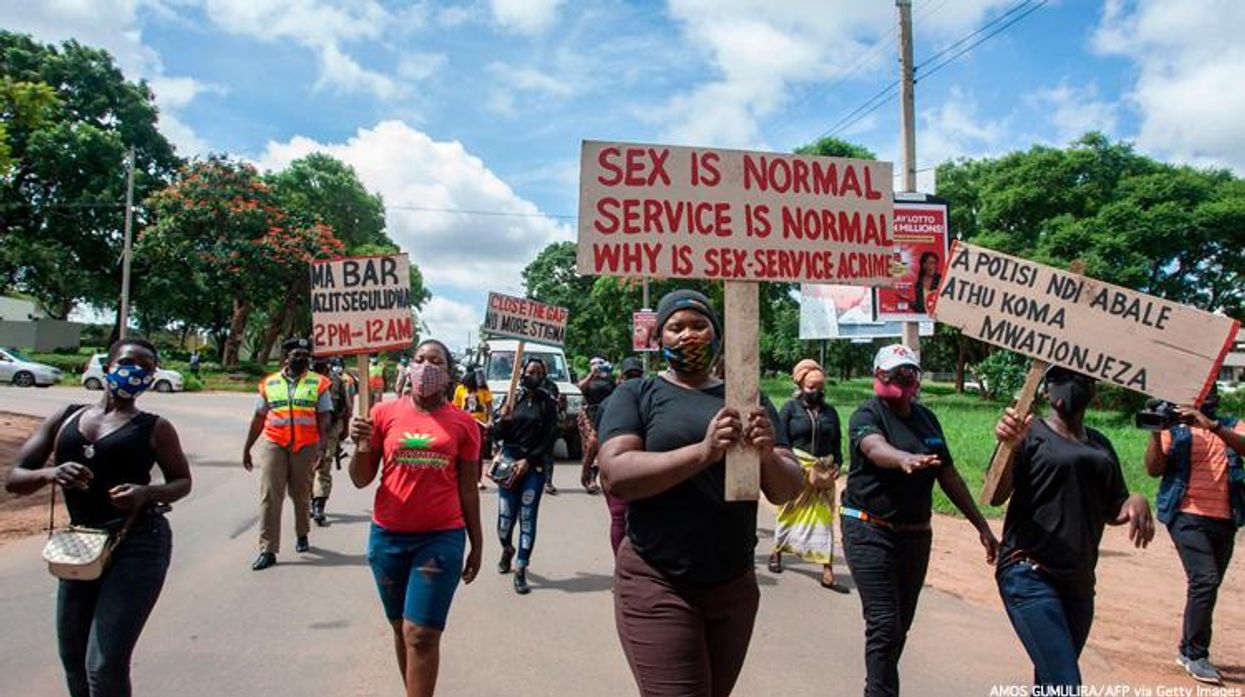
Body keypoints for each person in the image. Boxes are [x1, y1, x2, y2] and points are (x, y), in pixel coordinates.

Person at [597, 289, 805, 697]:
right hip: (658, 579)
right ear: (659, 340)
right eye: (676, 327)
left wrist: (766, 456)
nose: (688, 335)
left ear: (718, 334)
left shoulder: (749, 399)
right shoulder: (636, 395)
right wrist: (704, 452)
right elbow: (615, 474)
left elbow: (787, 489)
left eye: (698, 325)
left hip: (734, 585)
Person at [5, 338, 192, 697]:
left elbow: (181, 482)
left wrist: (145, 493)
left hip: (137, 543)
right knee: (73, 660)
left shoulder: (154, 428)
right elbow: (15, 480)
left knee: (104, 665)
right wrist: (51, 473)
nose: (135, 372)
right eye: (128, 362)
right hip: (81, 545)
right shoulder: (67, 417)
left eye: (146, 369)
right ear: (107, 367)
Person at [841, 344, 998, 697]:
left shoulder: (927, 419)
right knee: (883, 623)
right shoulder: (867, 413)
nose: (904, 379)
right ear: (879, 376)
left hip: (915, 534)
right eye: (896, 373)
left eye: (910, 373)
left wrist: (982, 526)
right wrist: (902, 459)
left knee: (900, 627)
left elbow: (950, 476)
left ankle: (879, 687)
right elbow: (873, 447)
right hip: (867, 526)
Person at [995, 366, 1155, 691]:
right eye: (1060, 378)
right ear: (1045, 390)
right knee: (1065, 685)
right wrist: (1009, 447)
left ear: (1094, 390)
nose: (1071, 386)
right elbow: (996, 495)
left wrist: (1137, 500)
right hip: (1029, 573)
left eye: (1081, 379)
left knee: (1051, 681)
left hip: (1079, 585)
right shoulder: (1029, 433)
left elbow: (1116, 508)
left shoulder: (1100, 444)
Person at [348, 339, 482, 697]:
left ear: (448, 374)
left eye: (435, 361)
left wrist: (478, 545)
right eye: (419, 359)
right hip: (387, 538)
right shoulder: (381, 414)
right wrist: (358, 444)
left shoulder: (465, 425)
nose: (425, 366)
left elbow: (469, 489)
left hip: (440, 539)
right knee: (400, 627)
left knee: (421, 634)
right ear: (409, 367)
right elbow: (361, 479)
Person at [1144, 385, 1245, 684]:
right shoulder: (1174, 430)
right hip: (1186, 515)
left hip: (1226, 518)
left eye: (1211, 391)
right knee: (1205, 580)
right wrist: (1155, 430)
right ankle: (1197, 654)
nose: (1208, 396)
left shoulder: (1229, 425)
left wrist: (1212, 426)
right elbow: (1153, 469)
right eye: (1202, 392)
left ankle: (1188, 650)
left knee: (1206, 587)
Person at [242, 337, 332, 570]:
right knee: (271, 496)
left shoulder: (320, 383)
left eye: (305, 354)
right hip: (275, 443)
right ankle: (268, 549)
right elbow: (258, 418)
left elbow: (324, 418)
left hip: (306, 445)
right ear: (286, 357)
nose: (302, 358)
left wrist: (323, 447)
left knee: (301, 494)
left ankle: (302, 532)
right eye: (297, 354)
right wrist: (247, 448)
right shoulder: (268, 384)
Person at [769, 358, 847, 593]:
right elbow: (780, 439)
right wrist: (785, 463)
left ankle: (827, 570)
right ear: (801, 385)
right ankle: (777, 551)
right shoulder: (790, 409)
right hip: (796, 468)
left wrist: (838, 463)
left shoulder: (830, 412)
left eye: (820, 388)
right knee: (788, 512)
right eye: (811, 388)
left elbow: (837, 441)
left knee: (824, 519)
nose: (816, 392)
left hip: (822, 470)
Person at [491, 356, 560, 594]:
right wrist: (503, 418)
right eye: (530, 371)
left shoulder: (547, 403)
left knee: (527, 518)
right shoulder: (511, 398)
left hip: (534, 466)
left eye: (539, 372)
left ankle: (520, 568)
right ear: (522, 372)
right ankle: (507, 548)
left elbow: (551, 436)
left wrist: (529, 460)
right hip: (508, 462)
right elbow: (496, 433)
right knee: (505, 518)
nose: (534, 375)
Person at [596, 356, 645, 554]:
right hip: (626, 470)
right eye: (631, 375)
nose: (633, 379)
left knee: (620, 518)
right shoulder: (610, 403)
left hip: (640, 469)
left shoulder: (653, 398)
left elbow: (595, 439)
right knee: (623, 518)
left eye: (635, 375)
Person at [310, 357, 352, 526]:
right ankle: (309, 500)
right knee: (306, 469)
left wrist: (345, 429)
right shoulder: (303, 380)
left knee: (324, 466)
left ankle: (319, 505)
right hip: (307, 430)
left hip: (331, 428)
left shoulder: (338, 381)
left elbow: (346, 407)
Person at [577, 356, 615, 495]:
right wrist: (591, 375)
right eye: (594, 365)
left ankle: (596, 479)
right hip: (589, 417)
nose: (597, 367)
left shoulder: (609, 380)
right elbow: (580, 388)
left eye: (599, 364)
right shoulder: (587, 379)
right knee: (590, 446)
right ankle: (588, 478)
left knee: (602, 447)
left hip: (606, 414)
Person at [452, 367, 493, 490]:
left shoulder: (484, 390)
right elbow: (456, 406)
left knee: (478, 452)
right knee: (460, 451)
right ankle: (459, 477)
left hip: (479, 424)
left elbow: (489, 406)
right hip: (464, 423)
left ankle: (478, 479)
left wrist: (490, 419)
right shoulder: (460, 389)